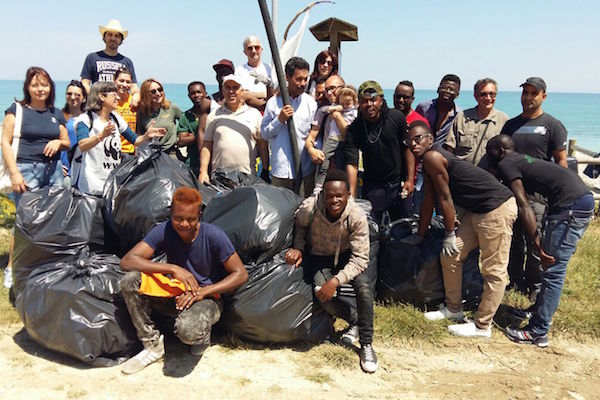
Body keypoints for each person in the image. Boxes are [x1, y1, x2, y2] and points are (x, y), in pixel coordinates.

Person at [404, 121, 517, 338]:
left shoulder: (433, 156)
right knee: (451, 256)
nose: (414, 144)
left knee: (494, 270)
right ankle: (454, 309)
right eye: (409, 141)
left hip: (496, 208)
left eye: (418, 139)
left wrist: (448, 233)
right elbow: (428, 199)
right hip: (476, 211)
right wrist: (420, 235)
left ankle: (483, 325)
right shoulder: (427, 160)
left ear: (430, 139)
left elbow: (445, 198)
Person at [119, 187, 248, 374]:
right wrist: (173, 268)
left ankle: (201, 333)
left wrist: (202, 292)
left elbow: (241, 274)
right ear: (171, 214)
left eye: (191, 219)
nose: (184, 224)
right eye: (178, 218)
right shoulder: (163, 231)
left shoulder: (214, 235)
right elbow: (127, 261)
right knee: (130, 280)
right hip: (176, 292)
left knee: (188, 332)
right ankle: (152, 344)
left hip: (208, 298)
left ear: (200, 215)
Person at [486, 135, 594, 347]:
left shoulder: (507, 163)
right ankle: (538, 310)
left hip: (570, 208)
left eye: (489, 152)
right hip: (578, 201)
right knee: (552, 267)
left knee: (553, 268)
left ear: (499, 151)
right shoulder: (521, 159)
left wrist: (537, 245)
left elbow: (524, 205)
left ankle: (538, 331)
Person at [285, 169, 377, 373]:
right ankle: (355, 319)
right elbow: (299, 226)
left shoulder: (356, 216)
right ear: (322, 195)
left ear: (348, 195)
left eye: (339, 196)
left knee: (364, 289)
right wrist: (298, 248)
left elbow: (361, 258)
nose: (334, 200)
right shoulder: (310, 208)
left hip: (348, 256)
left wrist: (336, 280)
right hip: (320, 256)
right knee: (321, 295)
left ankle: (367, 343)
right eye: (330, 195)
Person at [501, 77, 569, 299]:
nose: (528, 97)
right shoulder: (510, 125)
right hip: (511, 194)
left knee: (535, 240)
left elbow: (561, 162)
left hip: (538, 196)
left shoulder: (552, 125)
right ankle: (513, 279)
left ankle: (535, 283)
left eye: (533, 93)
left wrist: (560, 193)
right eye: (525, 93)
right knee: (512, 241)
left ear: (543, 96)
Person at [71, 82, 164, 195]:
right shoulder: (85, 120)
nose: (118, 97)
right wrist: (101, 135)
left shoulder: (116, 119)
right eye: (114, 94)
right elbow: (82, 145)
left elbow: (135, 141)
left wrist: (146, 136)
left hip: (111, 184)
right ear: (101, 96)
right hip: (91, 187)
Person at [344, 81, 415, 222]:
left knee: (403, 228)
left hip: (398, 184)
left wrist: (410, 180)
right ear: (359, 103)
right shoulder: (354, 129)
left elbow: (407, 149)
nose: (369, 105)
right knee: (371, 229)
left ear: (381, 101)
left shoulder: (396, 117)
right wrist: (351, 196)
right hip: (373, 186)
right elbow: (351, 164)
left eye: (373, 100)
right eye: (364, 101)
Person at [2, 66, 70, 206]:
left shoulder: (56, 113)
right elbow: (5, 143)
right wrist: (14, 173)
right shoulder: (17, 110)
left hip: (54, 170)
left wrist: (58, 142)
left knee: (54, 215)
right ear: (27, 88)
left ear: (51, 87)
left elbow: (66, 143)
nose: (40, 89)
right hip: (26, 169)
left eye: (45, 85)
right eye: (35, 85)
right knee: (28, 218)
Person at [261, 57, 317, 195]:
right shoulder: (273, 103)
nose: (303, 83)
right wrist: (279, 120)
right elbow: (264, 134)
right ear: (287, 77)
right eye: (298, 79)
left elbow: (314, 133)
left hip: (304, 170)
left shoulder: (311, 104)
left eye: (305, 79)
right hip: (281, 171)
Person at [198, 75, 263, 184]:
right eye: (227, 87)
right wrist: (203, 171)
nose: (231, 91)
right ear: (223, 91)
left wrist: (265, 170)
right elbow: (207, 145)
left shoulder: (255, 114)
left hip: (248, 177)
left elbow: (262, 144)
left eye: (235, 88)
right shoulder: (213, 115)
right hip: (220, 177)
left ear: (242, 91)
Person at [445, 78, 508, 168]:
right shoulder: (462, 117)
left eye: (492, 94)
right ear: (475, 96)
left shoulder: (503, 120)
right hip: (462, 173)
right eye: (483, 94)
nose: (488, 98)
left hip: (489, 176)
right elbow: (450, 148)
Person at [308, 86, 358, 192]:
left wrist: (337, 116)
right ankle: (319, 184)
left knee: (343, 168)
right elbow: (325, 110)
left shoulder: (355, 113)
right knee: (323, 159)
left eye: (348, 103)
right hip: (333, 138)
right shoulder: (335, 108)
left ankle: (347, 190)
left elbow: (348, 133)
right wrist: (336, 109)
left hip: (345, 143)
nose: (344, 106)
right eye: (342, 103)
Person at [393, 80, 429, 215]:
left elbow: (422, 152)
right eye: (398, 96)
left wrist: (410, 179)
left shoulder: (419, 122)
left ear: (412, 99)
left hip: (413, 177)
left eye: (406, 97)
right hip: (391, 176)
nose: (401, 100)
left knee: (410, 216)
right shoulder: (388, 117)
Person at [80, 19, 138, 97]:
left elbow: (133, 86)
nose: (113, 38)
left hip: (120, 106)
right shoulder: (92, 57)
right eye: (110, 35)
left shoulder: (127, 62)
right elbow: (85, 83)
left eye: (117, 36)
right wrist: (95, 97)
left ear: (121, 40)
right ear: (104, 37)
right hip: (98, 105)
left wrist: (136, 96)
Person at [136, 78, 182, 158]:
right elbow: (139, 138)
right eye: (153, 92)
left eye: (160, 90)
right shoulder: (142, 113)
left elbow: (185, 122)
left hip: (171, 153)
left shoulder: (171, 108)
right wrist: (147, 135)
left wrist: (179, 137)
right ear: (146, 94)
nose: (158, 93)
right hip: (151, 154)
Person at [415, 74, 462, 146]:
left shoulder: (459, 115)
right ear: (438, 89)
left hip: (443, 155)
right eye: (444, 87)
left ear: (457, 94)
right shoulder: (423, 108)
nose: (447, 91)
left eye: (452, 89)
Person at [178, 81, 212, 176]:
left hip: (213, 163)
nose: (196, 95)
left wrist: (192, 136)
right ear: (189, 96)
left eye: (199, 92)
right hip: (192, 164)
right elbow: (182, 140)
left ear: (205, 94)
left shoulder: (213, 113)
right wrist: (202, 135)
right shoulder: (186, 116)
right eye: (193, 93)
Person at [235, 36, 273, 112]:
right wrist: (263, 94)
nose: (253, 51)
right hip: (247, 111)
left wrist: (250, 94)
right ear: (245, 52)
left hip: (268, 111)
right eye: (250, 48)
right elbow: (241, 94)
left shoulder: (270, 68)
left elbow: (275, 92)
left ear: (261, 49)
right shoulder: (239, 70)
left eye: (257, 47)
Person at [60, 80, 87, 179]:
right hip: (64, 171)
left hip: (83, 171)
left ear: (84, 98)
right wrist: (57, 166)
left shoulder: (89, 119)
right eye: (69, 94)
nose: (72, 97)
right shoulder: (59, 117)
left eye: (77, 95)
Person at [113, 68, 137, 160]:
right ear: (114, 80)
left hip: (130, 151)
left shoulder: (134, 101)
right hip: (113, 150)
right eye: (121, 81)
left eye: (128, 82)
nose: (124, 85)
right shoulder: (109, 101)